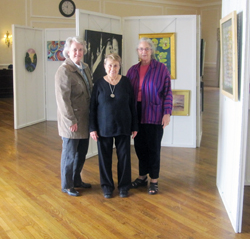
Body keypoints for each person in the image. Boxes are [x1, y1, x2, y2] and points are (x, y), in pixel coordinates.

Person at [126, 37, 173, 195]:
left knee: (153, 148)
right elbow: (126, 94)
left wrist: (167, 113)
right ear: (137, 52)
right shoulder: (132, 70)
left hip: (154, 113)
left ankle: (154, 180)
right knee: (139, 148)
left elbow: (167, 93)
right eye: (141, 49)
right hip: (136, 113)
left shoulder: (161, 69)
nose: (143, 52)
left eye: (146, 49)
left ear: (152, 51)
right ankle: (142, 177)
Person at [89, 53, 138, 199]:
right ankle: (107, 187)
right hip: (103, 127)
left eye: (115, 65)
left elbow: (132, 105)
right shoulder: (98, 84)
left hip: (124, 126)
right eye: (109, 65)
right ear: (105, 66)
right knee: (104, 159)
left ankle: (124, 186)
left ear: (119, 66)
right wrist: (92, 128)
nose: (112, 68)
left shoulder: (126, 82)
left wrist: (135, 126)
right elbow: (92, 108)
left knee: (124, 158)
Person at [55, 36, 93, 197]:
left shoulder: (85, 67)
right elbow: (62, 100)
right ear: (68, 52)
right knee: (70, 154)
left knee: (81, 153)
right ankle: (67, 185)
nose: (78, 52)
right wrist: (71, 120)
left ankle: (77, 180)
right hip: (72, 122)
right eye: (75, 50)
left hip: (85, 120)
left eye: (80, 49)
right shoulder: (64, 70)